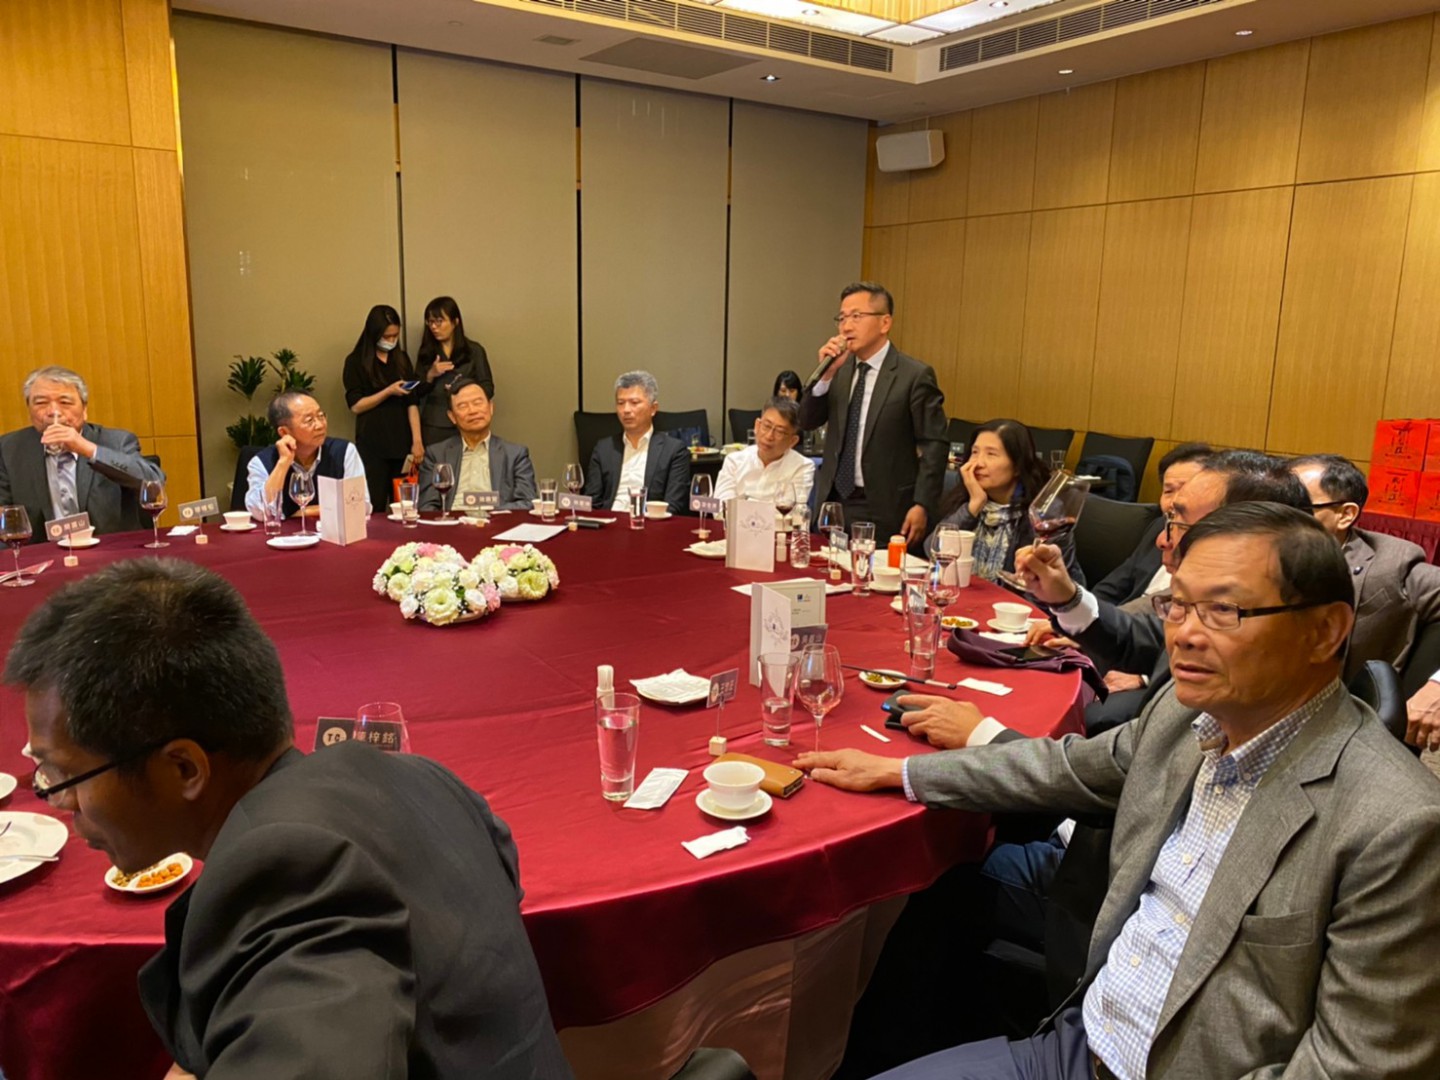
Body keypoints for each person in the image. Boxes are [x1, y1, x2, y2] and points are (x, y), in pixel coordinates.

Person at [799, 503, 1440, 1080]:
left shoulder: (1397, 824)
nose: (1185, 634)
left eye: (1223, 611)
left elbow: (1356, 1066)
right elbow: (1066, 768)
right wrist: (902, 774)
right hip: (1077, 1044)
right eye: (1177, 605)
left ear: (1326, 631)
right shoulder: (1186, 718)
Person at [3, 559, 573, 1078]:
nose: (58, 801)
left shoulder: (288, 873)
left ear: (183, 768)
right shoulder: (422, 776)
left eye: (60, 775)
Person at [798, 282, 947, 546]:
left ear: (884, 323)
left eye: (856, 316)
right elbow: (807, 421)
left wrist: (922, 504)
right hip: (835, 501)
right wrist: (827, 375)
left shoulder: (913, 376)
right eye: (842, 318)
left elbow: (934, 445)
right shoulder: (839, 370)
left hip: (885, 506)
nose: (846, 326)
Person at [1290, 453, 1440, 682]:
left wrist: (1437, 683)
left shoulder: (1391, 564)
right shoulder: (1252, 554)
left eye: (1298, 507)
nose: (1278, 516)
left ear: (1345, 515)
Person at [0, 366, 165, 537]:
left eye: (65, 402)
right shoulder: (9, 448)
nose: (53, 412)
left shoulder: (116, 441)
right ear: (29, 410)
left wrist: (87, 449)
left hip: (110, 548)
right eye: (41, 403)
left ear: (84, 410)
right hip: (44, 550)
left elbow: (154, 483)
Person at [927, 419, 1083, 585]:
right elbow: (933, 550)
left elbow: (1050, 585)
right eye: (975, 452)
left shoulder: (1043, 513)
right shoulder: (967, 498)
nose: (978, 463)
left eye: (991, 454)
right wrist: (973, 506)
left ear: (1017, 466)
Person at [1090, 442, 1211, 616]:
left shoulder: (1214, 546)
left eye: (1186, 490)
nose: (1174, 501)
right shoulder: (1159, 527)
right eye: (1168, 491)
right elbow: (1112, 588)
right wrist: (1085, 615)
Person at [342, 304, 424, 511]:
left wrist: (417, 441)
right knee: (374, 504)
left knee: (405, 505)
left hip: (402, 442)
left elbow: (412, 403)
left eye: (395, 335)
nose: (391, 340)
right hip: (373, 445)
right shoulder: (356, 362)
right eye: (387, 336)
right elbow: (356, 406)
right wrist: (388, 391)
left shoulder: (401, 358)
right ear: (374, 334)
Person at [244, 392, 370, 519]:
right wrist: (283, 463)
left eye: (321, 416)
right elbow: (260, 512)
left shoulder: (344, 452)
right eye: (309, 421)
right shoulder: (261, 462)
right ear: (284, 432)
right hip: (286, 533)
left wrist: (302, 512)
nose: (320, 425)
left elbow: (361, 505)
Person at [418, 378, 536, 512]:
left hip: (497, 522)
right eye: (463, 406)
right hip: (453, 522)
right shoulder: (437, 454)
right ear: (452, 417)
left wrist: (489, 515)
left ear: (491, 408)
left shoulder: (515, 455)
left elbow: (527, 503)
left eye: (477, 403)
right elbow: (426, 507)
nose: (472, 411)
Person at [582, 370, 690, 516]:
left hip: (650, 523)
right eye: (620, 403)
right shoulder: (604, 448)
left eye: (634, 403)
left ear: (653, 408)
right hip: (609, 522)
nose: (626, 410)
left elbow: (673, 506)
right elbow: (592, 502)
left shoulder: (674, 450)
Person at [415, 296, 494, 447]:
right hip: (435, 423)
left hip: (468, 420)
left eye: (439, 321)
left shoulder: (474, 350)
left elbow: (488, 387)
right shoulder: (426, 352)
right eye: (430, 322)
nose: (434, 327)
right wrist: (430, 375)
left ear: (455, 322)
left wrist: (465, 391)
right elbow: (416, 392)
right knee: (438, 461)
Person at [712, 397, 814, 507]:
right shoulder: (734, 461)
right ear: (757, 426)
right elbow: (722, 507)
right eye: (767, 426)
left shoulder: (802, 467)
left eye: (780, 432)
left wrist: (745, 504)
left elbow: (792, 511)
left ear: (792, 441)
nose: (769, 436)